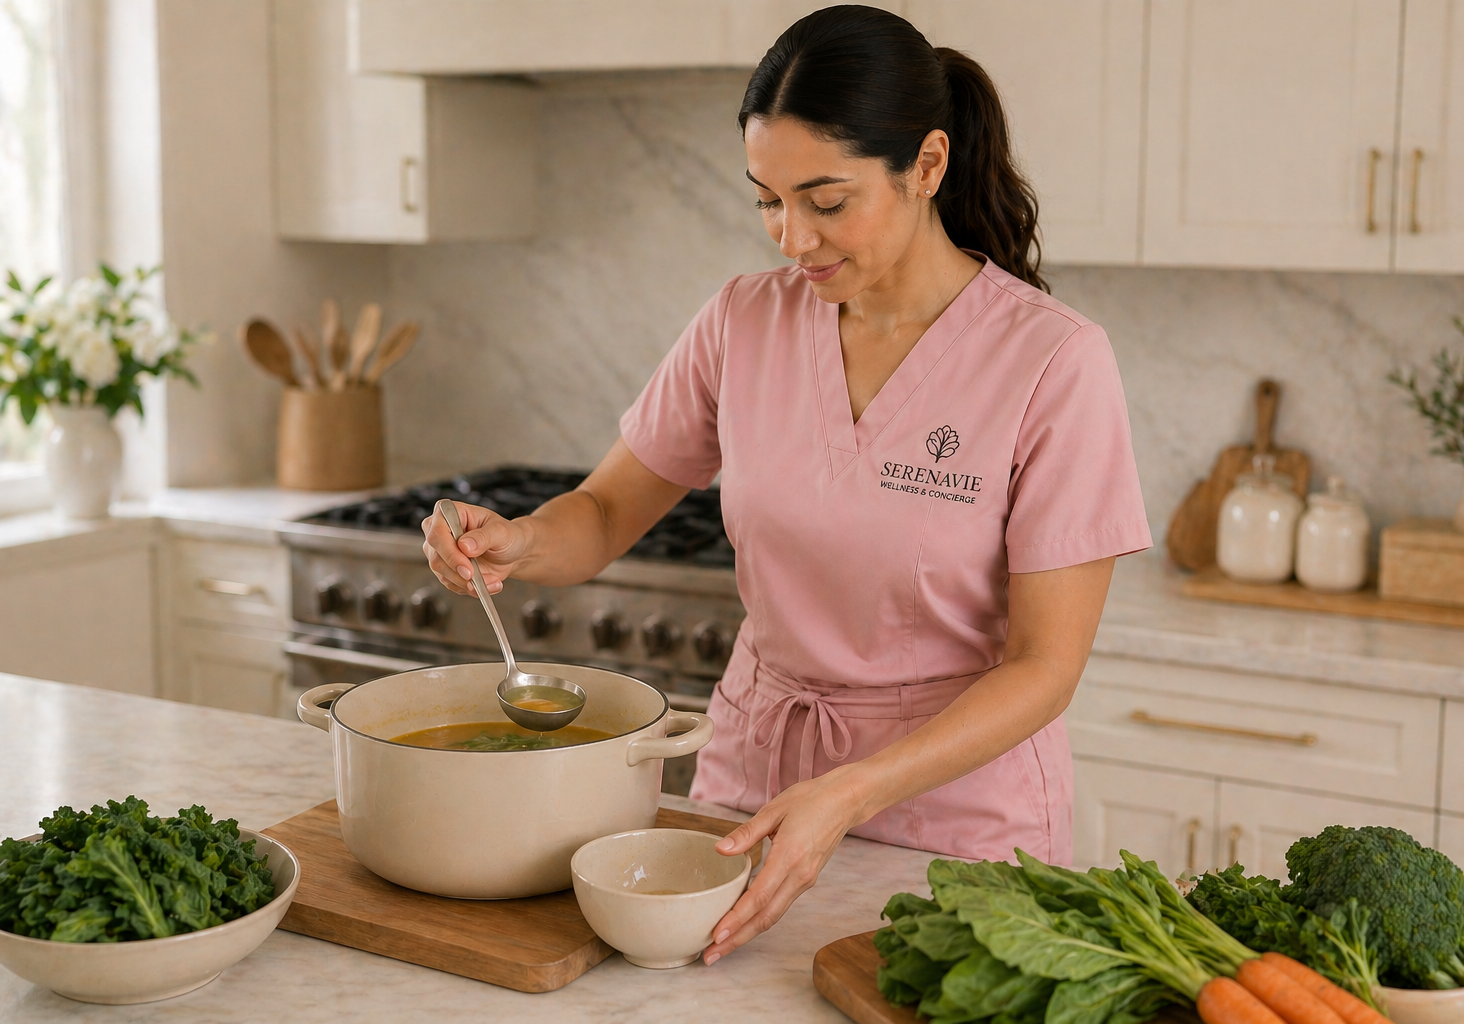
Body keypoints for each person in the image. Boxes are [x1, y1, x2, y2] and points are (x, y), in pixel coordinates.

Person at [421, 4, 1149, 965]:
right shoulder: (742, 321)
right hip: (750, 785)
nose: (791, 238)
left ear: (927, 165)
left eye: (827, 201)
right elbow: (601, 514)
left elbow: (1045, 667)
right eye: (766, 199)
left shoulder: (1053, 361)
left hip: (950, 825)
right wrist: (519, 539)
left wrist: (851, 790)